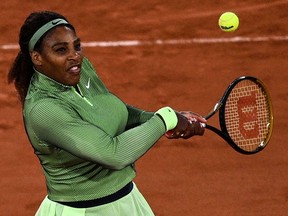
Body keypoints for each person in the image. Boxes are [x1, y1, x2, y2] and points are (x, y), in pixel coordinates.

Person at [8, 11, 206, 216]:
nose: (74, 56)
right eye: (61, 50)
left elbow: (114, 111)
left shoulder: (79, 69)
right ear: (37, 57)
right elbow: (113, 154)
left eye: (77, 46)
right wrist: (165, 119)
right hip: (82, 211)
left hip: (128, 201)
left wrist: (159, 119)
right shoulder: (43, 109)